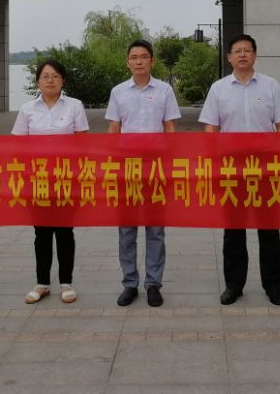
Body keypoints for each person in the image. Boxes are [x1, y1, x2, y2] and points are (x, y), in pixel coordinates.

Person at [199, 34, 280, 306]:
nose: (242, 55)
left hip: (265, 169)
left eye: (247, 50)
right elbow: (210, 128)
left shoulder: (270, 86)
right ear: (229, 57)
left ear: (255, 55)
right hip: (232, 169)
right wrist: (214, 163)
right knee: (234, 230)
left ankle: (273, 285)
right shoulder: (219, 89)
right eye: (237, 51)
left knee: (269, 229)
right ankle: (234, 285)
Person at [105, 39, 181, 308]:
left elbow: (170, 128)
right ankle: (129, 283)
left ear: (152, 61)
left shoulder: (164, 90)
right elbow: (114, 130)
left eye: (144, 57)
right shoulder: (118, 92)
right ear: (128, 62)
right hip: (127, 169)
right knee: (126, 229)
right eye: (134, 57)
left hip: (155, 168)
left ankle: (153, 284)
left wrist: (170, 164)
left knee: (155, 229)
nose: (139, 61)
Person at [12, 59, 88, 305]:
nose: (50, 80)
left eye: (55, 76)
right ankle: (42, 283)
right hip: (38, 179)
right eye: (45, 76)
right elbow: (18, 145)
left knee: (65, 231)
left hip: (66, 178)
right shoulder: (27, 109)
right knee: (41, 233)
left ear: (63, 80)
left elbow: (82, 143)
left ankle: (66, 283)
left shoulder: (74, 106)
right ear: (38, 81)